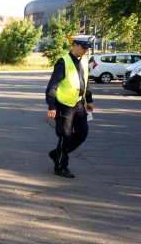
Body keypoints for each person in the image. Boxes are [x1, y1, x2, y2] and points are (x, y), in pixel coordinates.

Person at [45, 35, 95, 179]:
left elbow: (85, 83)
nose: (86, 51)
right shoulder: (63, 62)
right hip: (64, 106)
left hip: (79, 104)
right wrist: (51, 105)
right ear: (75, 46)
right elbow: (52, 86)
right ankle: (60, 166)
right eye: (84, 47)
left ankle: (57, 153)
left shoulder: (84, 61)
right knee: (64, 136)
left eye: (88, 48)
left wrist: (89, 99)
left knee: (82, 133)